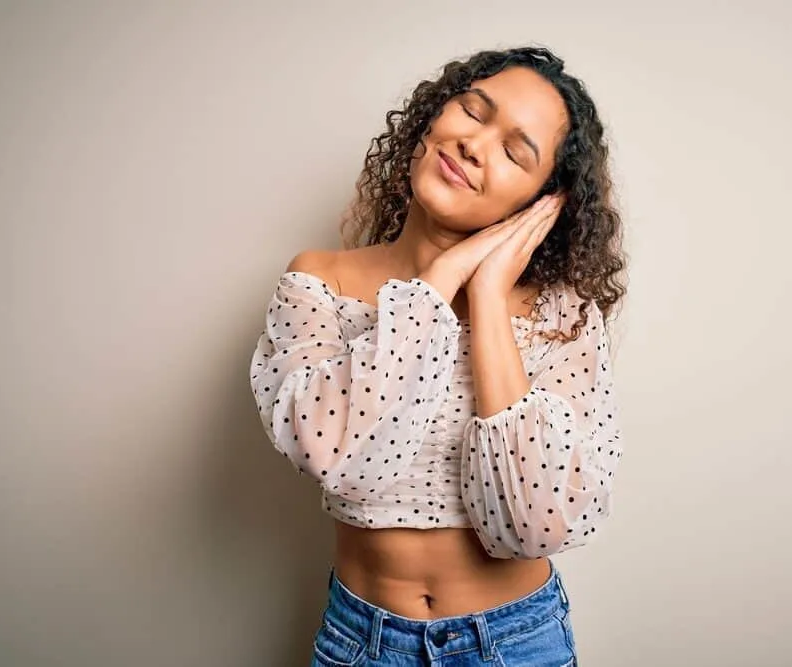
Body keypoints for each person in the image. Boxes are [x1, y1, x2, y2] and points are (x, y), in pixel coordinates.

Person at [250, 45, 625, 666]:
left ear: (541, 202)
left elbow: (535, 526)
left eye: (515, 151)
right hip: (361, 642)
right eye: (473, 112)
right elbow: (339, 455)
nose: (476, 144)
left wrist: (486, 298)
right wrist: (440, 279)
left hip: (518, 643)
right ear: (432, 120)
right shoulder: (320, 282)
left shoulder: (562, 319)